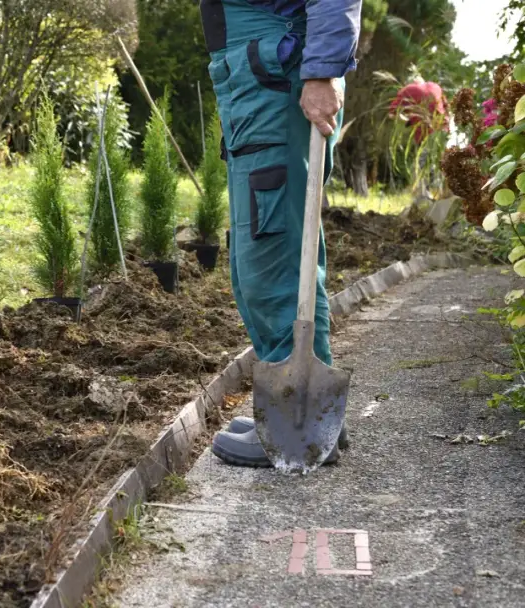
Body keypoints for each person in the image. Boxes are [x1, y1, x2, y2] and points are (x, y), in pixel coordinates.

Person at [199, 0, 362, 467]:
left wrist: (322, 71)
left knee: (273, 256)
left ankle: (301, 425)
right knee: (261, 254)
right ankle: (308, 414)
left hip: (277, 68)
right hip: (256, 73)